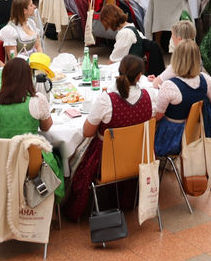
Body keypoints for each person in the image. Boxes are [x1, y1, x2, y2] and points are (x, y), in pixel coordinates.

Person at [64, 55, 155, 220]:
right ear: (139, 77)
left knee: (73, 155)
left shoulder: (107, 100)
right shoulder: (149, 97)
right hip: (138, 158)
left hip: (107, 162)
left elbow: (87, 132)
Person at [0, 57, 63, 193]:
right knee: (59, 154)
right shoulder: (37, 100)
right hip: (31, 163)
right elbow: (46, 127)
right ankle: (53, 200)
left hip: (4, 161)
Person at [153, 38, 211, 157]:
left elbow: (157, 116)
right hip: (197, 134)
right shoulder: (206, 80)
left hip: (173, 139)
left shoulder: (169, 86)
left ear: (175, 59)